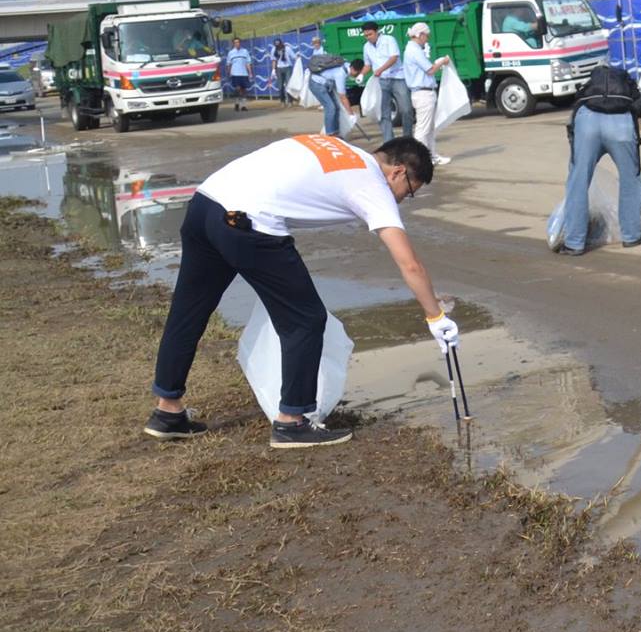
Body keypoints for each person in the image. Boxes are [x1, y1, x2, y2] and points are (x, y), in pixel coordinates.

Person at [143, 133, 457, 450]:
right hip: (248, 221)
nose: (402, 200)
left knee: (188, 311)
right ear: (398, 172)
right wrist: (435, 316)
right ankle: (291, 422)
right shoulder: (372, 184)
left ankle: (167, 411)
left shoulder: (336, 146)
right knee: (305, 319)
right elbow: (409, 264)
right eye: (409, 192)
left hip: (205, 203)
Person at [553, 62, 641, 256]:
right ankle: (632, 236)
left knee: (578, 183)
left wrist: (575, 161)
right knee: (630, 181)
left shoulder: (588, 92)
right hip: (622, 128)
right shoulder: (632, 92)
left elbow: (572, 124)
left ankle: (573, 243)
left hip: (587, 125)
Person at [402, 23, 454, 167]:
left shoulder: (413, 49)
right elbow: (430, 70)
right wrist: (442, 62)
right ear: (420, 35)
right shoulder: (414, 50)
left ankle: (431, 156)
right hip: (423, 93)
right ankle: (421, 159)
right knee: (423, 129)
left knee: (428, 128)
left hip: (423, 92)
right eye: (427, 35)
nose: (427, 39)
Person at [360, 22, 410, 142]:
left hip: (397, 77)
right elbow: (368, 64)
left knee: (406, 109)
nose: (368, 37)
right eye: (366, 35)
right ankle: (389, 141)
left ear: (377, 31)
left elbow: (394, 58)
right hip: (381, 81)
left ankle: (408, 137)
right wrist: (361, 74)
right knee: (383, 112)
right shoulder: (366, 47)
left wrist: (381, 69)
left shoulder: (389, 40)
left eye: (370, 34)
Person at [306, 36, 349, 136]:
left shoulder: (324, 51)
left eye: (316, 42)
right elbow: (342, 96)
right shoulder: (314, 52)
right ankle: (330, 133)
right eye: (314, 43)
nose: (315, 44)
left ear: (319, 43)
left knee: (336, 107)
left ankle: (336, 132)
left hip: (326, 82)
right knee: (330, 107)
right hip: (318, 82)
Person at [223, 38, 253, 111]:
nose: (237, 44)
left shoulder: (245, 51)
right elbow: (229, 64)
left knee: (244, 90)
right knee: (237, 89)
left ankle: (243, 106)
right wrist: (229, 73)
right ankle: (237, 103)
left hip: (244, 73)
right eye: (235, 42)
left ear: (240, 43)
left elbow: (248, 63)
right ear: (233, 44)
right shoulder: (231, 53)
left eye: (238, 42)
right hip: (235, 74)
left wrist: (250, 73)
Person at [272, 37, 290, 103]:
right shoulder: (274, 50)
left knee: (288, 84)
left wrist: (297, 57)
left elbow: (293, 56)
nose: (277, 45)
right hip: (279, 68)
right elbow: (274, 60)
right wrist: (273, 70)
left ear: (281, 43)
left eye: (278, 43)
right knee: (280, 86)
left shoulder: (287, 48)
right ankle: (282, 100)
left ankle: (290, 101)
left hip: (287, 67)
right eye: (276, 44)